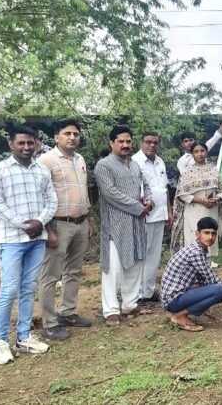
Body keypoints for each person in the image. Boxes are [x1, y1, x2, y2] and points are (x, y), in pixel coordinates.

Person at [0, 126, 58, 364]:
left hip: (36, 239)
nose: (26, 147)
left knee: (28, 288)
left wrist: (40, 222)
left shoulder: (42, 170)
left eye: (30, 143)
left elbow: (51, 200)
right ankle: (0, 342)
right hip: (11, 240)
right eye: (21, 143)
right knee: (8, 290)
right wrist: (24, 224)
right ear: (11, 144)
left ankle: (24, 337)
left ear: (36, 143)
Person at [38, 119, 93, 342]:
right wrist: (48, 229)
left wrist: (89, 220)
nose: (72, 137)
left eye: (76, 134)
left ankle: (67, 313)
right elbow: (42, 197)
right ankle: (49, 324)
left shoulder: (80, 159)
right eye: (67, 133)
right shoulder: (46, 161)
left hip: (80, 223)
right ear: (56, 137)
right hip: (58, 225)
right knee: (50, 275)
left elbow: (84, 193)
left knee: (74, 271)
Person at [94, 125, 154, 327]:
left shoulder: (135, 165)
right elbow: (110, 194)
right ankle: (110, 310)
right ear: (111, 143)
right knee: (113, 268)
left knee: (136, 263)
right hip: (116, 225)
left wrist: (150, 202)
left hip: (137, 223)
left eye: (128, 141)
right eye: (121, 141)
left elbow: (145, 186)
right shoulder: (104, 166)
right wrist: (139, 207)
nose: (125, 145)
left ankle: (129, 304)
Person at [161, 217, 222, 331]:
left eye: (213, 234)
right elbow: (212, 279)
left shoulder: (200, 249)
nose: (210, 237)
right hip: (173, 300)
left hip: (177, 296)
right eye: (206, 233)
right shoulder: (195, 252)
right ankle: (179, 316)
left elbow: (205, 280)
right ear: (198, 234)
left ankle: (179, 313)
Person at [170, 142, 222, 262]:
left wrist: (217, 199)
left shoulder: (213, 171)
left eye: (202, 151)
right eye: (196, 152)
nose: (199, 154)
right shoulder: (187, 173)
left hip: (210, 211)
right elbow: (182, 195)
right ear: (192, 154)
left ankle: (205, 272)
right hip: (193, 212)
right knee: (193, 242)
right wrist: (201, 200)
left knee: (209, 240)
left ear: (206, 152)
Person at [132, 131, 173, 303]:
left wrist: (169, 212)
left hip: (159, 215)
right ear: (141, 143)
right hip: (143, 215)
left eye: (155, 142)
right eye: (148, 142)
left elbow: (164, 190)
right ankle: (137, 294)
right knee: (141, 254)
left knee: (154, 255)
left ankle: (148, 291)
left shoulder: (160, 161)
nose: (152, 145)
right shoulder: (134, 161)